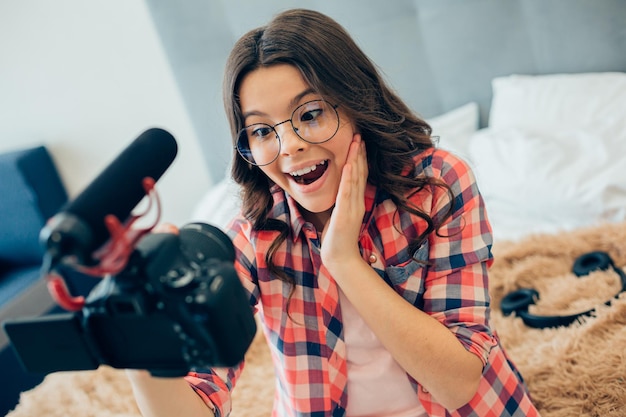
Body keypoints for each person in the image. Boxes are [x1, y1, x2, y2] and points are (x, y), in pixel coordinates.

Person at [127, 8, 539, 417]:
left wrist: (343, 259)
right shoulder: (254, 235)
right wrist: (135, 343)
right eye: (262, 131)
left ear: (356, 102)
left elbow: (458, 384)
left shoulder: (437, 184)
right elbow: (199, 399)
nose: (288, 146)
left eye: (310, 114)